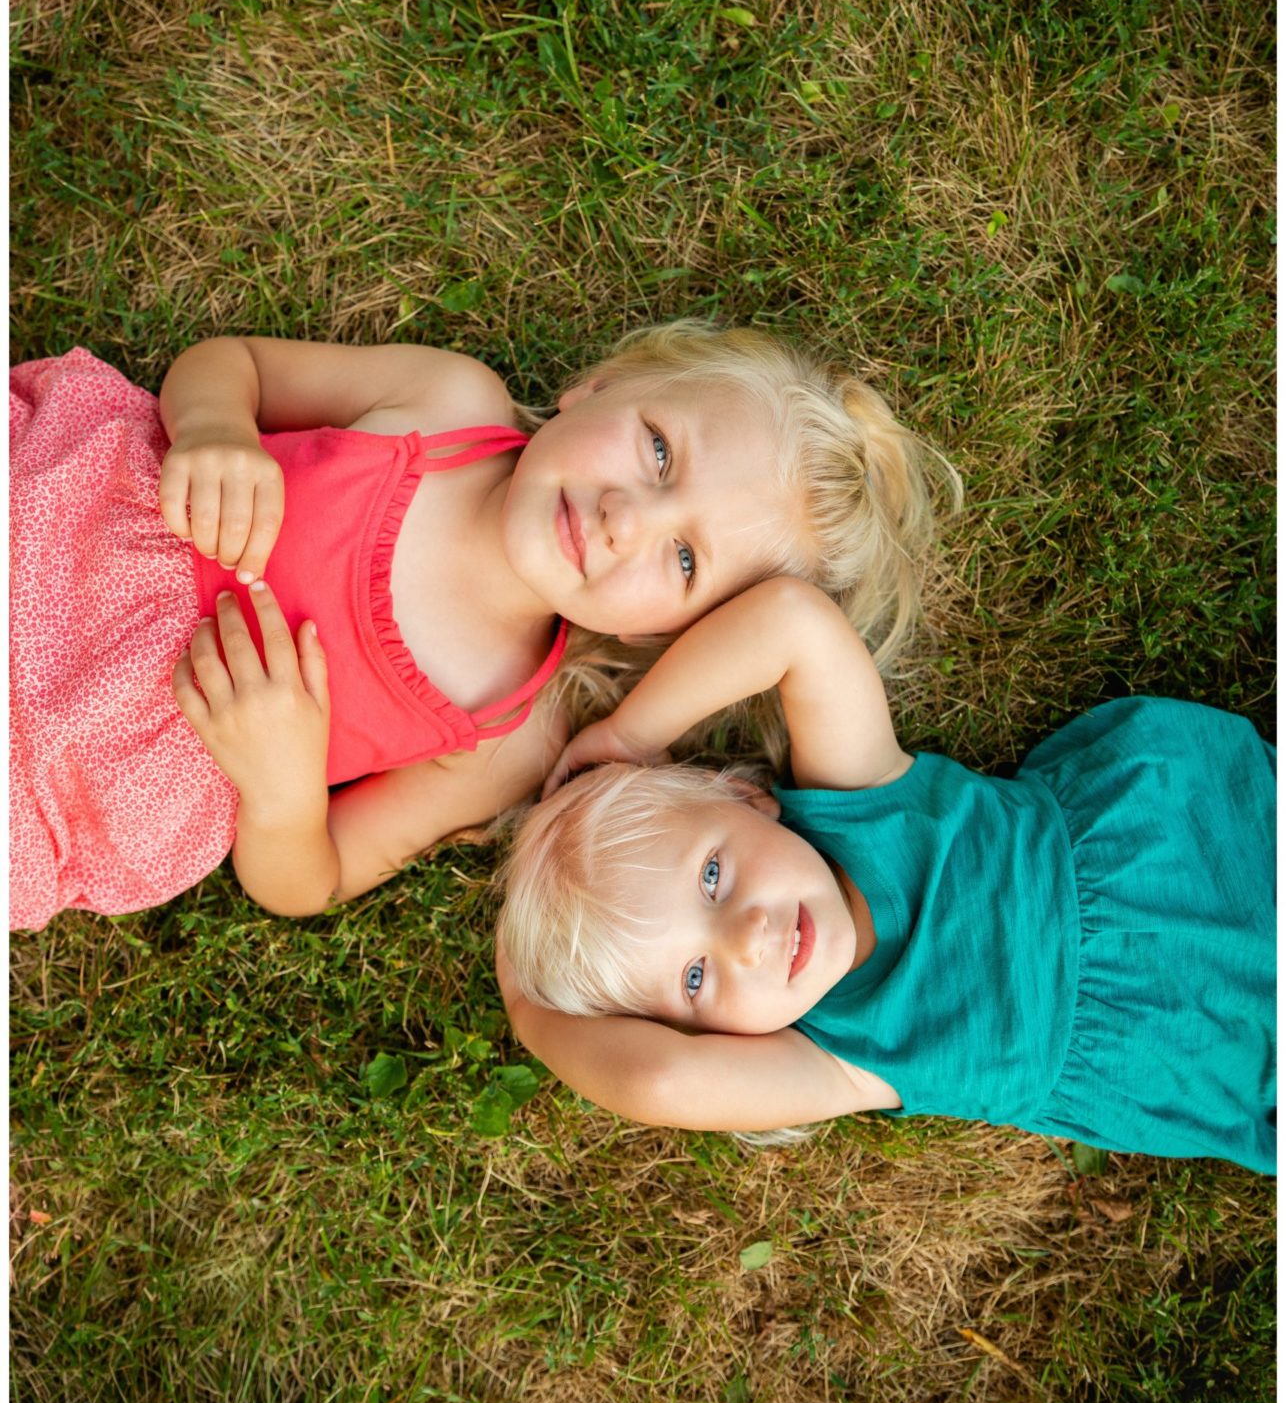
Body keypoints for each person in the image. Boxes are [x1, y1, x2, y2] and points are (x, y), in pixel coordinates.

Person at [10, 321, 956, 930]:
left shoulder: (505, 734)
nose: (631, 518)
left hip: (85, 757)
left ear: (659, 638)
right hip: (69, 518)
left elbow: (312, 880)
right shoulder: (446, 404)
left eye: (684, 562)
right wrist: (216, 425)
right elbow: (234, 364)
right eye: (660, 451)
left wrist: (285, 789)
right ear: (599, 385)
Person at [496, 576, 1276, 1174]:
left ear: (744, 798)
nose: (750, 938)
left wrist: (631, 732)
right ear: (700, 1034)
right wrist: (529, 1013)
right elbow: (661, 1084)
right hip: (1189, 1041)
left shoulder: (858, 800)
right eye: (695, 979)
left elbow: (794, 623)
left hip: (1179, 845)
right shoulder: (839, 1059)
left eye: (712, 877)